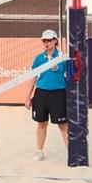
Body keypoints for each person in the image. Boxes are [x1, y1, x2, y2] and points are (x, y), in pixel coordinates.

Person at [25, 29, 69, 160]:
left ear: (55, 41)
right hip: (41, 93)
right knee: (41, 124)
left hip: (59, 94)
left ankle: (71, 153)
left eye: (49, 40)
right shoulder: (39, 58)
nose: (46, 43)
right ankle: (39, 151)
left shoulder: (62, 57)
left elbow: (71, 77)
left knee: (63, 125)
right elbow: (33, 77)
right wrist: (27, 96)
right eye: (44, 40)